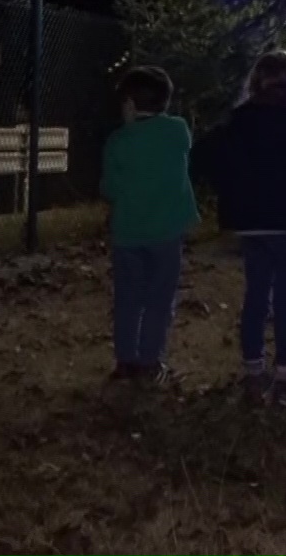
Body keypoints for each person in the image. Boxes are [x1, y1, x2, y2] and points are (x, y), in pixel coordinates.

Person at [192, 51, 286, 401]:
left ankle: (253, 370)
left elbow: (206, 156)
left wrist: (230, 190)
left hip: (250, 221)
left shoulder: (240, 121)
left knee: (256, 294)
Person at [102, 66, 199, 383]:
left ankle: (125, 359)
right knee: (159, 299)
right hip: (167, 232)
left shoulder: (118, 141)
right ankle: (150, 360)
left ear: (129, 104)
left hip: (128, 233)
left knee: (128, 299)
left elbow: (109, 188)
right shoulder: (178, 130)